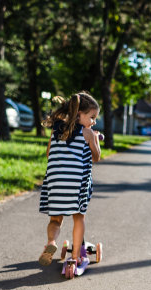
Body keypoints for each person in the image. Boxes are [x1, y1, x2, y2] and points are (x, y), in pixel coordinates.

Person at [37, 91, 102, 279]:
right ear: (79, 114)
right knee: (78, 217)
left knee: (55, 220)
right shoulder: (88, 133)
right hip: (76, 184)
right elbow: (96, 157)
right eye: (92, 117)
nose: (93, 122)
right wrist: (94, 139)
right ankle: (75, 258)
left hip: (55, 182)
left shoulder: (56, 130)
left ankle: (51, 242)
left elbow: (49, 153)